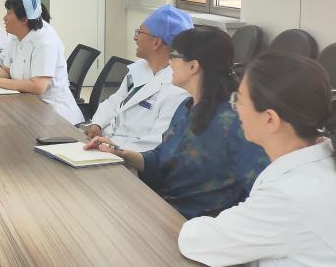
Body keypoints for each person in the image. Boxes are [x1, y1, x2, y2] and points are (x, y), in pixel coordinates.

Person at [178, 52, 336, 267]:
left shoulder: (293, 192)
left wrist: (211, 221)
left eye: (239, 99)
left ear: (270, 118)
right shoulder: (329, 158)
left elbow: (197, 241)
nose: (235, 107)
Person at [86, 26, 268, 219]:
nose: (169, 62)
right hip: (163, 209)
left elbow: (259, 194)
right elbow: (161, 160)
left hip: (195, 223)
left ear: (193, 67)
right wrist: (119, 152)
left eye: (173, 56)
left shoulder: (235, 123)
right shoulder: (187, 106)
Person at [83, 5, 193, 151]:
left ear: (156, 42)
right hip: (108, 142)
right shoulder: (140, 68)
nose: (135, 37)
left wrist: (115, 148)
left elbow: (157, 142)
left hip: (130, 156)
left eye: (140, 32)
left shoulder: (178, 88)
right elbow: (115, 101)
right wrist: (97, 124)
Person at [0, 0, 84, 124]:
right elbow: (7, 71)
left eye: (9, 13)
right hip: (28, 105)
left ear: (24, 19)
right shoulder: (16, 37)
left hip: (55, 115)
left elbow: (38, 86)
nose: (4, 18)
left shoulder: (45, 42)